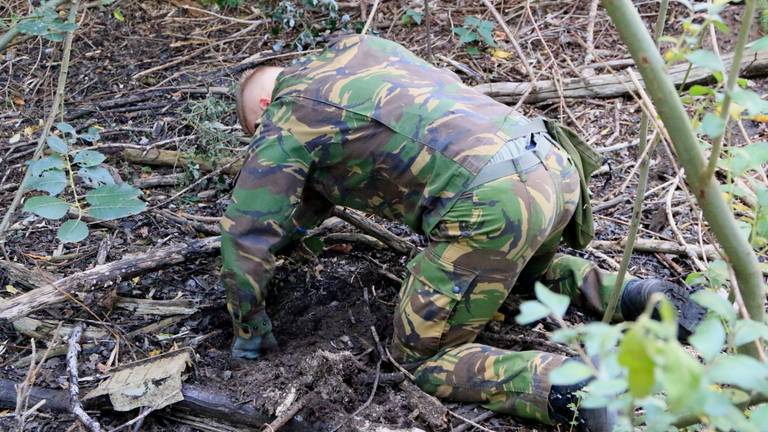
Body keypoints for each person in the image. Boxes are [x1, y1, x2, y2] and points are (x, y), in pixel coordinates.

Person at [221, 33, 703, 431]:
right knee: (520, 275)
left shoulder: (286, 117)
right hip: (550, 164)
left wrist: (249, 334)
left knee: (423, 359)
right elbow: (321, 188)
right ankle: (638, 296)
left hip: (488, 202)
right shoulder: (357, 48)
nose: (258, 141)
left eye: (252, 131)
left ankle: (571, 387)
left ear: (262, 106)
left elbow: (245, 237)